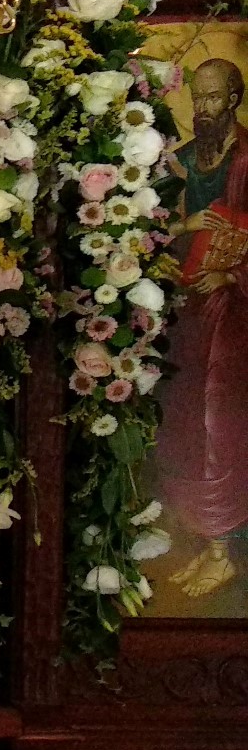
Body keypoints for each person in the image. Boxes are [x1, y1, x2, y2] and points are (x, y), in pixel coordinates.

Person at [159, 57, 248, 597]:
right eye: (198, 98)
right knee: (185, 416)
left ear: (234, 99)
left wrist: (232, 274)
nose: (204, 108)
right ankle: (203, 540)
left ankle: (226, 551)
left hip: (234, 315)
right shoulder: (185, 159)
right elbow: (156, 224)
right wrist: (180, 230)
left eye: (214, 97)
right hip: (187, 308)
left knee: (220, 421)